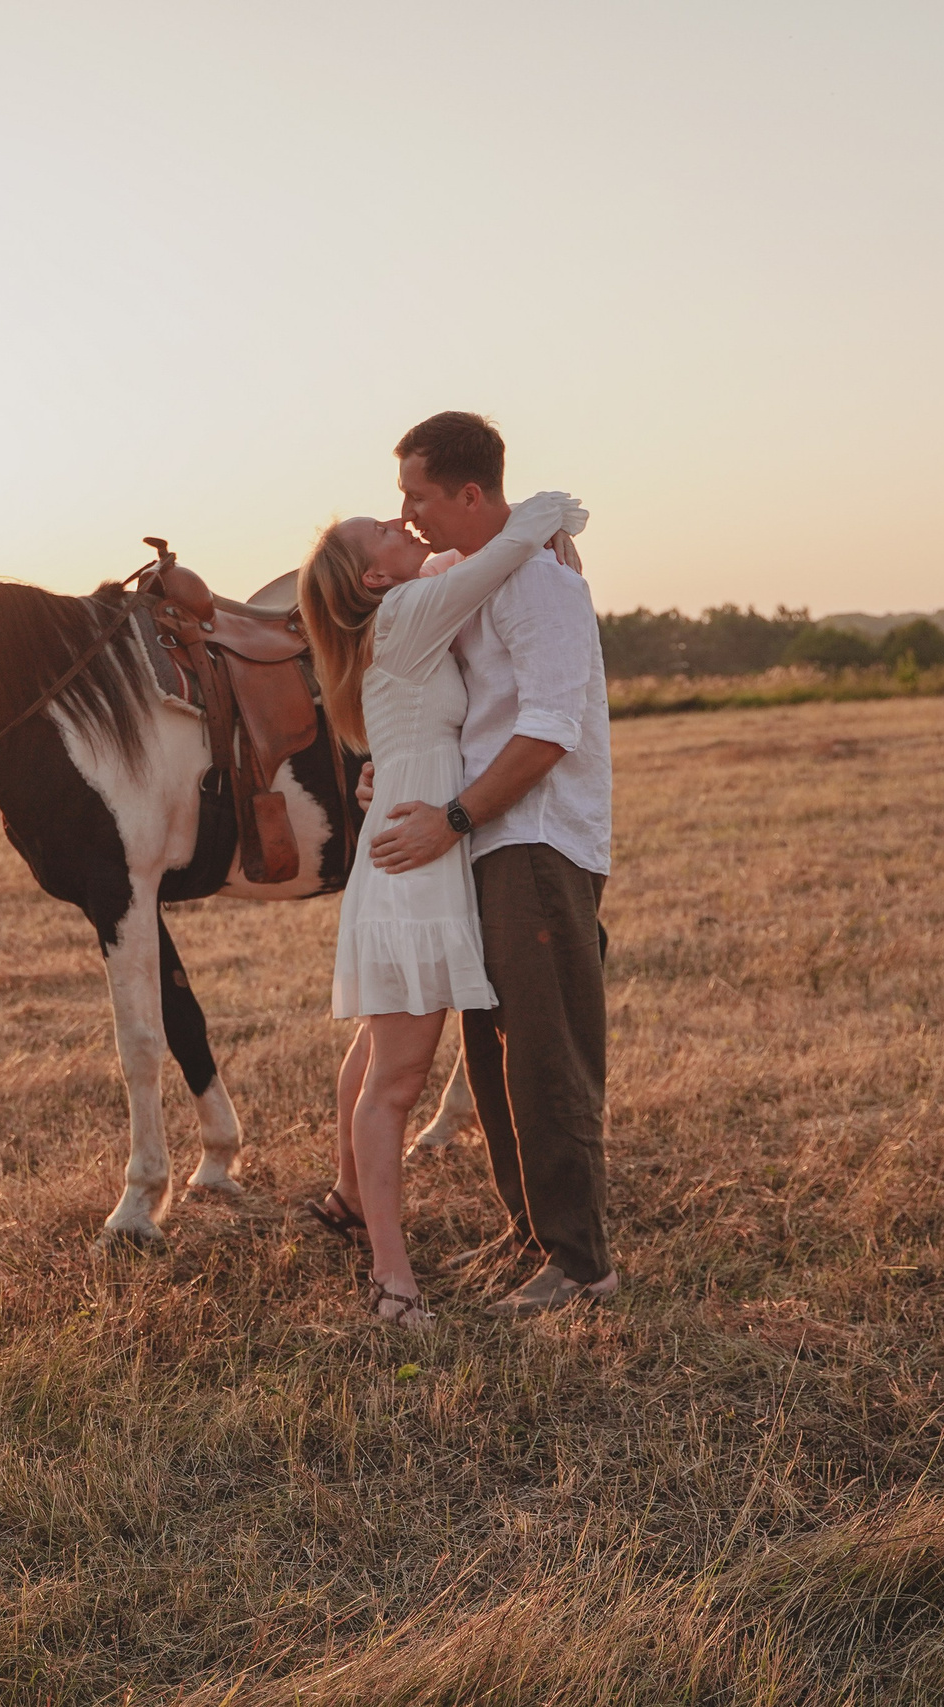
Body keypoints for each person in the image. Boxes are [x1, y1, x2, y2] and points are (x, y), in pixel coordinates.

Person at [297, 488, 587, 1327]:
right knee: (399, 1077)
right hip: (414, 872)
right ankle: (393, 1278)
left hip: (408, 854)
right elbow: (491, 559)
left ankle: (352, 1197)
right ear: (372, 579)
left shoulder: (394, 623)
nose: (401, 525)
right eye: (381, 532)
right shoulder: (407, 613)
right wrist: (546, 511)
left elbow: (461, 568)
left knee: (381, 1046)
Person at [369, 411, 618, 1318]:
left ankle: (582, 1263)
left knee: (547, 1052)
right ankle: (531, 1237)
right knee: (493, 1052)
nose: (407, 512)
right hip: (483, 838)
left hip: (537, 837)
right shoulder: (467, 574)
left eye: (419, 495)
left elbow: (550, 730)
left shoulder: (541, 590)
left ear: (470, 494)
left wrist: (453, 816)